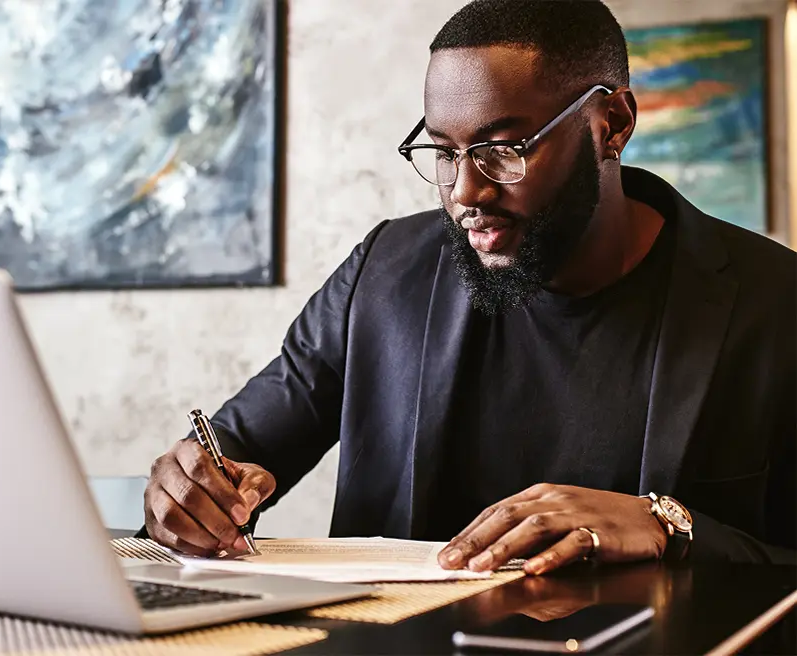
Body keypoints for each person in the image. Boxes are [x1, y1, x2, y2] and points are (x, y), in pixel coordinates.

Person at [140, 0, 796, 573]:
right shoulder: (383, 270)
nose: (464, 192)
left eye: (502, 149)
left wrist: (669, 526)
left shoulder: (773, 301)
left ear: (611, 124)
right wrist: (188, 496)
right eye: (443, 151)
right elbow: (233, 453)